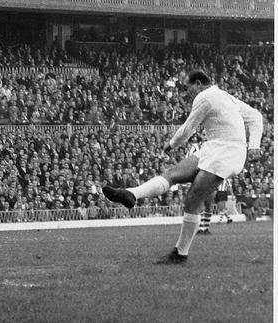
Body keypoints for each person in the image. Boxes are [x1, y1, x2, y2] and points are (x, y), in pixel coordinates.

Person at [102, 70, 263, 264]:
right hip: (213, 147)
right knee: (172, 174)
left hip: (228, 152)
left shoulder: (205, 97)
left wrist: (171, 144)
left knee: (193, 199)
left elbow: (188, 128)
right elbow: (255, 116)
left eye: (188, 88)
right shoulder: (225, 96)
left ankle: (180, 253)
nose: (187, 93)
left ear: (197, 83)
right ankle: (131, 194)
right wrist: (254, 146)